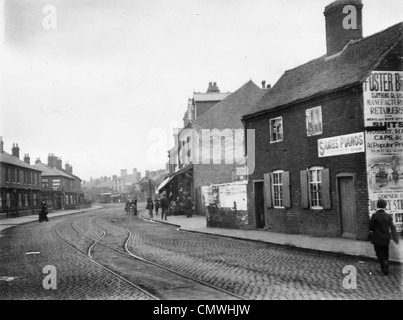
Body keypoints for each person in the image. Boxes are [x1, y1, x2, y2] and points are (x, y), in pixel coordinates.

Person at [369, 199, 399, 275]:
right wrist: (395, 238)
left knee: (378, 252)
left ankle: (383, 264)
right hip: (386, 237)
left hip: (377, 237)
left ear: (377, 206)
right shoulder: (388, 216)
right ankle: (386, 262)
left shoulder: (375, 216)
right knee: (386, 251)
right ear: (385, 206)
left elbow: (371, 227)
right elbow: (392, 227)